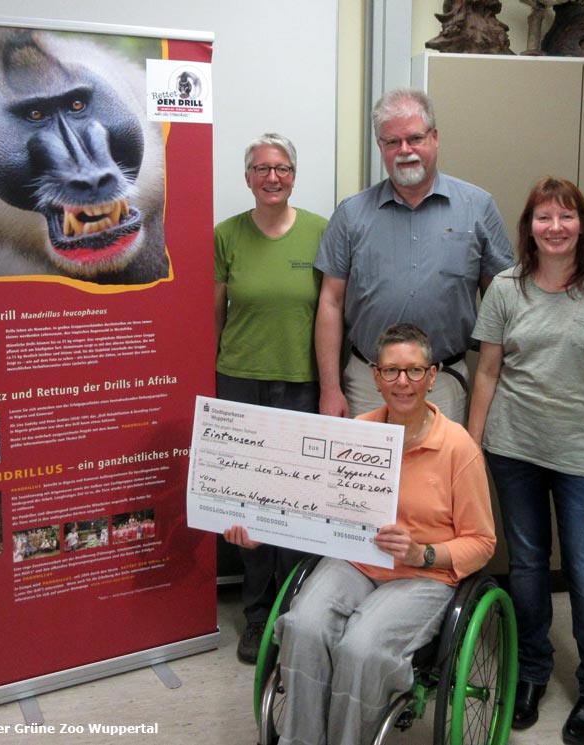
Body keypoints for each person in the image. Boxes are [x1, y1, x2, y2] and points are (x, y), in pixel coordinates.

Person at [226, 323, 496, 744]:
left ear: (432, 375)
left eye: (413, 371)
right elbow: (312, 505)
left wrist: (423, 552)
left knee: (361, 648)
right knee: (302, 625)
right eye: (391, 371)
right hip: (355, 559)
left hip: (422, 576)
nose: (402, 382)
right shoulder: (359, 432)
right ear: (375, 376)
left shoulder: (458, 448)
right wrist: (263, 530)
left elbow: (482, 543)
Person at [467, 177, 584, 745]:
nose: (554, 227)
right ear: (528, 228)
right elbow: (489, 371)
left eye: (565, 217)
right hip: (513, 447)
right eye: (543, 218)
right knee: (525, 567)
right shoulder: (504, 287)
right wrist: (471, 447)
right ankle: (533, 672)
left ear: (582, 225)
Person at [314, 87, 513, 424]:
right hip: (368, 381)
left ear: (434, 137)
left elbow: (502, 302)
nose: (404, 150)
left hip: (444, 381)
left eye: (414, 138)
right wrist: (330, 389)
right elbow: (330, 303)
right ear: (381, 147)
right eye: (392, 142)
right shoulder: (351, 214)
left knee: (436, 476)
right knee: (366, 475)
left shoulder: (478, 208)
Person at [214, 132, 329, 664]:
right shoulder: (226, 236)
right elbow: (213, 315)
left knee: (298, 500)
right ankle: (257, 614)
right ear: (247, 178)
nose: (272, 177)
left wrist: (329, 387)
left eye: (281, 168)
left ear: (294, 175)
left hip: (300, 384)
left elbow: (332, 312)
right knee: (250, 503)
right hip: (241, 383)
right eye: (261, 169)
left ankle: (297, 608)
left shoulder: (319, 232)